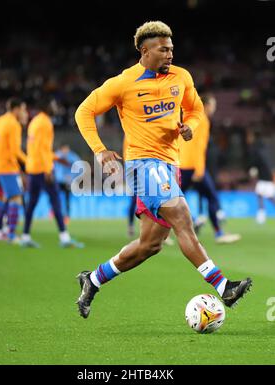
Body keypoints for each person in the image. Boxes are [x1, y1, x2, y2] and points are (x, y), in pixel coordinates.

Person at [74, 21, 252, 318]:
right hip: (142, 163)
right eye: (163, 49)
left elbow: (195, 110)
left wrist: (190, 127)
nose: (170, 54)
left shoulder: (180, 77)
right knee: (181, 214)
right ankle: (224, 287)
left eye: (172, 48)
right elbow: (84, 111)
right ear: (145, 51)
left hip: (170, 164)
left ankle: (92, 280)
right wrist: (100, 150)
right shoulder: (124, 82)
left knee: (150, 245)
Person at [21, 98, 84, 248]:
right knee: (55, 200)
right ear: (47, 106)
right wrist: (49, 168)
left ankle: (25, 236)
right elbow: (43, 149)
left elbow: (38, 148)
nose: (56, 107)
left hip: (33, 167)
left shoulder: (35, 121)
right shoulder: (45, 123)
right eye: (54, 104)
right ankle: (64, 238)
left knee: (32, 203)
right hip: (43, 168)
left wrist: (56, 158)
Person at [179, 94, 241, 243]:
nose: (214, 108)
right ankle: (218, 233)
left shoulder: (190, 117)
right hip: (193, 166)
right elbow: (199, 147)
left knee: (176, 200)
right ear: (206, 105)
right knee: (212, 197)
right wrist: (199, 170)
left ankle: (163, 234)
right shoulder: (203, 120)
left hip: (182, 164)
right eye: (213, 105)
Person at [0, 98, 28, 243]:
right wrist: (28, 162)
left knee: (1, 198)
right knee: (16, 198)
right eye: (23, 109)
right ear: (16, 109)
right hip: (6, 167)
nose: (24, 112)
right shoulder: (13, 124)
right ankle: (10, 235)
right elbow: (15, 150)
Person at [246, 129, 275, 224]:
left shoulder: (258, 152)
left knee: (262, 195)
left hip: (264, 178)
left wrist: (252, 168)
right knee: (265, 195)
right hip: (269, 177)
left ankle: (261, 215)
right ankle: (261, 214)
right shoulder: (268, 152)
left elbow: (254, 163)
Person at [54, 144, 81, 224]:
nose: (66, 151)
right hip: (58, 180)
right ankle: (55, 212)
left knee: (67, 199)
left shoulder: (72, 156)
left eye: (67, 149)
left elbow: (79, 167)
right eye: (64, 149)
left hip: (67, 181)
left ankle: (67, 216)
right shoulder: (57, 154)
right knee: (55, 197)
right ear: (61, 149)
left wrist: (73, 177)